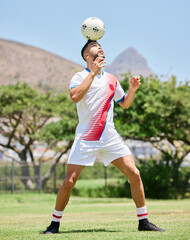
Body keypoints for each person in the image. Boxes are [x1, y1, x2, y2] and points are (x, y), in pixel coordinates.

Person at [44, 40, 164, 234]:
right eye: (94, 46)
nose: (99, 47)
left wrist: (132, 90)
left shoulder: (111, 78)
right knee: (69, 182)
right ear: (87, 56)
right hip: (86, 137)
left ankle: (143, 222)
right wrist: (93, 73)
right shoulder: (79, 76)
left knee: (135, 174)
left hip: (110, 137)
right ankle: (54, 225)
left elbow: (124, 103)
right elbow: (75, 96)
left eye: (101, 46)